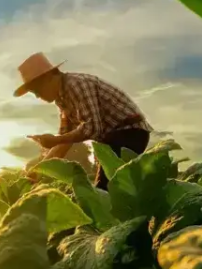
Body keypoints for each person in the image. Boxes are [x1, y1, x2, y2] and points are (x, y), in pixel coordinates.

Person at [13, 52, 153, 190]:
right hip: (110, 139)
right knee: (112, 188)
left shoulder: (76, 85)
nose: (38, 96)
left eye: (37, 90)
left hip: (129, 132)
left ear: (49, 77)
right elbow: (63, 142)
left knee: (104, 190)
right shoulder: (62, 100)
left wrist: (56, 140)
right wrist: (38, 171)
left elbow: (92, 128)